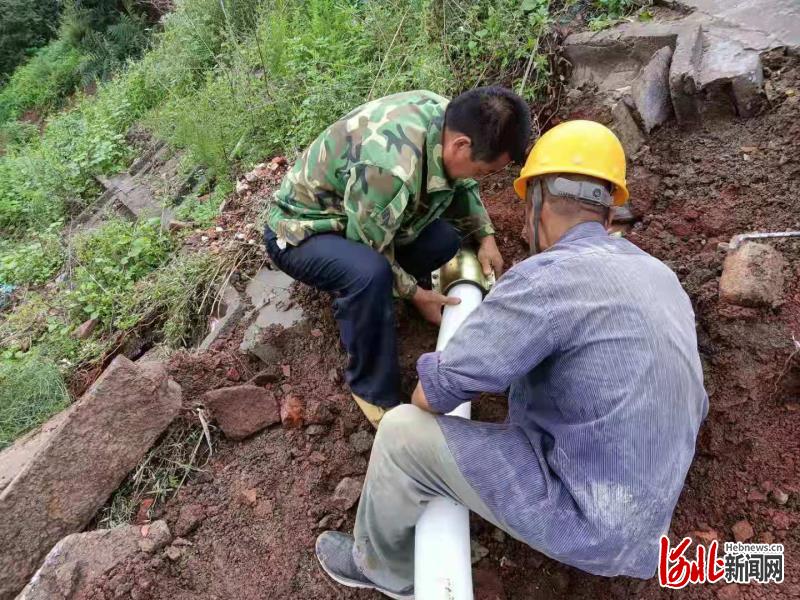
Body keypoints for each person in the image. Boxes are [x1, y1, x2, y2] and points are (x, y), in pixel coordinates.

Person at [314, 120, 709, 598]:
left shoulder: (546, 278)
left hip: (590, 526)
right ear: (607, 213)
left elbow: (429, 395)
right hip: (650, 519)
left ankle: (382, 569)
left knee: (400, 434)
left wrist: (484, 341)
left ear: (535, 203)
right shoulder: (661, 276)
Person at [264, 87, 531, 426]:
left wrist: (486, 237)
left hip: (363, 216)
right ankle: (372, 391)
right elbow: (367, 247)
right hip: (304, 230)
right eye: (481, 170)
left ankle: (379, 301)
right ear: (461, 145)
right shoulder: (389, 169)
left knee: (443, 239)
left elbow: (462, 185)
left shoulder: (447, 117)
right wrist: (416, 294)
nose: (478, 177)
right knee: (369, 274)